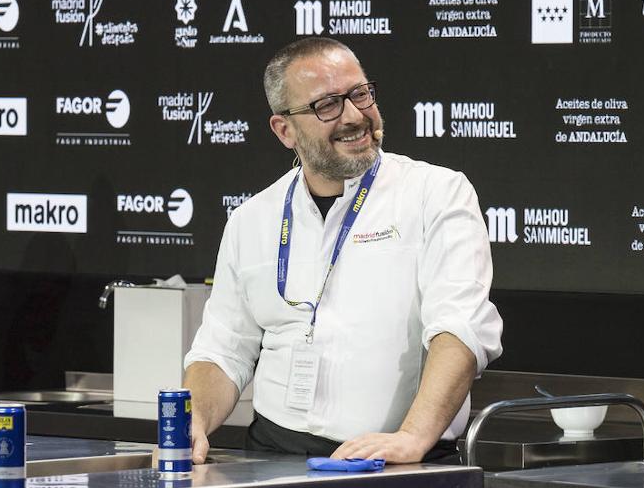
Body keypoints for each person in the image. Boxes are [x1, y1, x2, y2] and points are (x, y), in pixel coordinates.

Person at [183, 37, 503, 463]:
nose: (355, 116)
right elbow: (223, 350)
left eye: (360, 94)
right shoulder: (251, 219)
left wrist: (412, 438)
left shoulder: (437, 194)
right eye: (327, 105)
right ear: (285, 130)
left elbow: (459, 329)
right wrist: (193, 422)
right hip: (273, 456)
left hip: (396, 457)